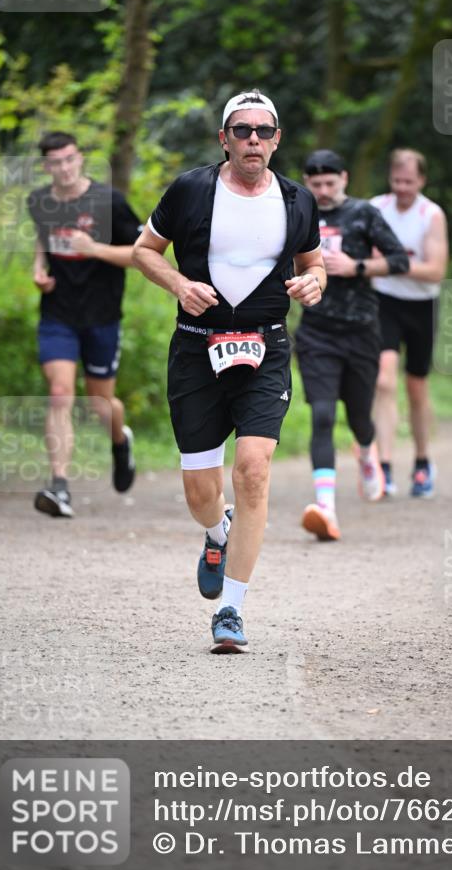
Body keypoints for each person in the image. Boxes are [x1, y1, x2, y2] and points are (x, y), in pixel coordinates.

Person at [132, 90, 325, 653]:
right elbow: (144, 251)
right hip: (197, 349)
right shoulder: (192, 190)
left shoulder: (298, 200)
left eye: (264, 131)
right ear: (224, 138)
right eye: (242, 130)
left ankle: (231, 610)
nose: (253, 140)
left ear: (277, 140)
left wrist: (315, 283)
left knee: (254, 470)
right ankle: (217, 533)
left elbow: (314, 263)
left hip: (267, 347)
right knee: (201, 491)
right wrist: (178, 284)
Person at [296, 149, 410, 542]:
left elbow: (399, 260)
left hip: (361, 330)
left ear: (344, 178)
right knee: (322, 415)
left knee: (360, 417)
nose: (324, 191)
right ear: (307, 183)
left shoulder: (364, 213)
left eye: (330, 183)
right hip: (316, 332)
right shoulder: (299, 213)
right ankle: (325, 508)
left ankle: (366, 451)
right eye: (316, 184)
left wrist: (355, 267)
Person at [27, 131, 140, 518]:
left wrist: (94, 249)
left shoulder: (110, 202)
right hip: (58, 313)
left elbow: (141, 254)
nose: (64, 168)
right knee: (60, 392)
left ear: (80, 159)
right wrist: (39, 269)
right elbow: (42, 241)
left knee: (100, 404)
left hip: (102, 317)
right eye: (55, 162)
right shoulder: (39, 201)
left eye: (69, 159)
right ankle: (59, 487)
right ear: (46, 166)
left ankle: (120, 440)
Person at [370, 149, 448, 498]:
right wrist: (396, 264)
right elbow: (364, 258)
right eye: (397, 180)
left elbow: (435, 270)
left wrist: (390, 262)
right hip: (385, 301)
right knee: (384, 379)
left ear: (422, 181)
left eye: (409, 181)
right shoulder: (376, 208)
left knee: (417, 387)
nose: (402, 187)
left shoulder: (431, 215)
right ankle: (384, 467)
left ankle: (422, 461)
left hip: (422, 306)